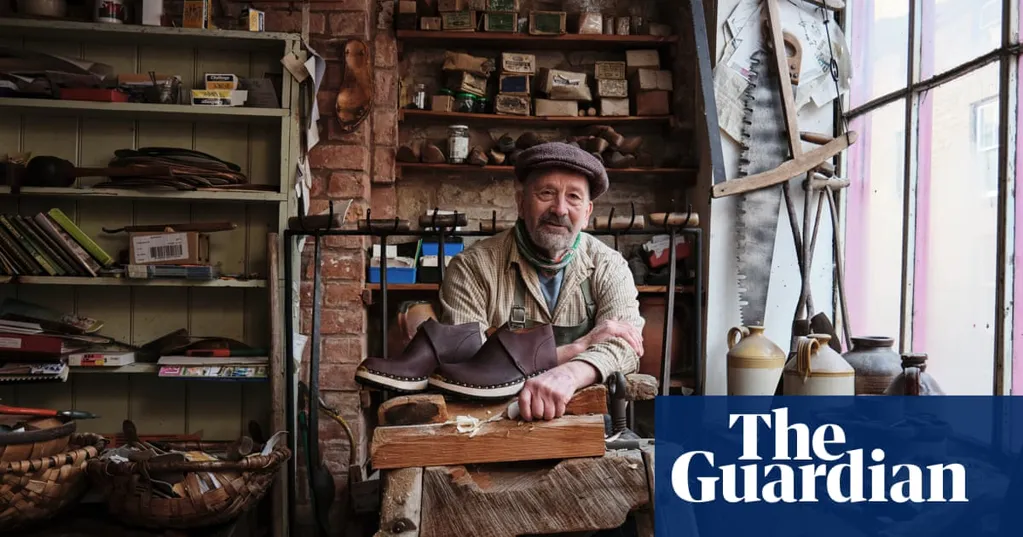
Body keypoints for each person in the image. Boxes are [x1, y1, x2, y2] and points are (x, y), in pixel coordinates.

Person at [439, 141, 645, 422]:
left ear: (586, 214)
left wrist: (569, 374)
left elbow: (626, 347)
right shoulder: (472, 268)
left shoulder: (609, 266)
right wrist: (578, 347)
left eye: (573, 197)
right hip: (492, 422)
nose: (559, 209)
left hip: (586, 421)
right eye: (546, 193)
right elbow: (469, 366)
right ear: (521, 204)